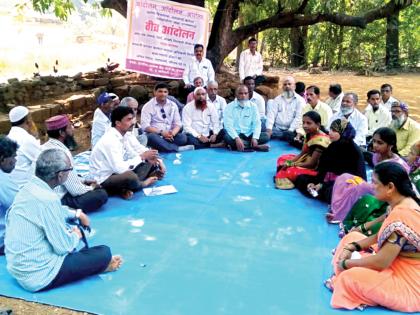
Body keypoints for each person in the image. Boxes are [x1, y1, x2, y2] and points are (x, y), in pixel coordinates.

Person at [5, 149, 122, 292]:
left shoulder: (28, 188)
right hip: (39, 276)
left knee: (69, 228)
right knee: (104, 252)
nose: (70, 173)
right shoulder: (48, 199)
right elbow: (63, 247)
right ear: (60, 175)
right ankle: (99, 265)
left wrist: (77, 213)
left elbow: (55, 211)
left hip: (18, 269)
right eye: (69, 170)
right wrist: (76, 235)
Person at [326, 161, 420, 313]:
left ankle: (341, 275)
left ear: (390, 187)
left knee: (350, 277)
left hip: (410, 284)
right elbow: (380, 235)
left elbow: (381, 262)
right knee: (353, 237)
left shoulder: (403, 213)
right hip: (394, 259)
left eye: (375, 183)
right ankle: (343, 271)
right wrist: (353, 247)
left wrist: (346, 264)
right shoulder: (399, 203)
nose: (372, 187)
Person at [328, 127, 410, 223]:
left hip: (388, 193)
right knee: (344, 177)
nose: (375, 145)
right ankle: (336, 209)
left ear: (390, 145)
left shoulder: (398, 164)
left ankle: (340, 216)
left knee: (359, 187)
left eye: (380, 143)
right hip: (376, 186)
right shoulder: (377, 156)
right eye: (374, 141)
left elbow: (396, 189)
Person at [90, 106, 161, 199]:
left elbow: (136, 150)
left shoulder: (125, 133)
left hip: (118, 171)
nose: (133, 122)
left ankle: (124, 189)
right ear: (118, 123)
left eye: (132, 119)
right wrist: (142, 157)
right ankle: (141, 184)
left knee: (148, 162)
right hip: (104, 178)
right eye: (128, 119)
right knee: (131, 176)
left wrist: (156, 160)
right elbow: (120, 169)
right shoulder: (110, 140)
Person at [42, 115, 108, 213]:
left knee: (80, 177)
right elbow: (76, 190)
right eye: (69, 127)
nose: (73, 129)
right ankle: (65, 210)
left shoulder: (43, 147)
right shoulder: (62, 153)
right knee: (101, 194)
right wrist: (91, 187)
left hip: (45, 196)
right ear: (61, 133)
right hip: (57, 199)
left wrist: (83, 180)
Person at [295, 119, 366, 203]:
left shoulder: (354, 152)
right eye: (330, 129)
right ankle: (315, 190)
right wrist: (317, 182)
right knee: (301, 178)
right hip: (327, 181)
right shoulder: (332, 146)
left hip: (346, 184)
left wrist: (323, 185)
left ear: (343, 133)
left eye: (334, 130)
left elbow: (349, 178)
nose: (330, 133)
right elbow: (323, 169)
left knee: (332, 191)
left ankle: (319, 192)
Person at [275, 111, 331, 189]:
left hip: (314, 168)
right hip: (305, 159)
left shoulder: (321, 141)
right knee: (282, 159)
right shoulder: (309, 133)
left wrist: (291, 164)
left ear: (317, 124)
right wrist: (289, 162)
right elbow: (302, 154)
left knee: (289, 170)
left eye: (308, 123)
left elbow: (312, 164)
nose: (305, 126)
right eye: (303, 122)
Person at [141, 83, 191, 153]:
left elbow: (178, 123)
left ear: (168, 93)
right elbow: (145, 126)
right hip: (156, 134)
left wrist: (172, 134)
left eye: (165, 92)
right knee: (151, 137)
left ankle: (161, 146)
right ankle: (176, 149)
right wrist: (161, 133)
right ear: (155, 92)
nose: (163, 94)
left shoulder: (173, 105)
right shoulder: (148, 106)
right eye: (160, 91)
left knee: (183, 138)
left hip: (169, 135)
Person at [223, 85, 269, 152]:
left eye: (245, 93)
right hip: (237, 135)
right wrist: (237, 138)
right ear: (236, 95)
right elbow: (228, 125)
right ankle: (254, 146)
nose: (243, 96)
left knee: (266, 136)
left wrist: (255, 138)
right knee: (227, 137)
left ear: (248, 94)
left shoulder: (253, 106)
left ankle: (241, 146)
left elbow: (257, 123)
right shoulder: (229, 107)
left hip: (249, 134)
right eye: (241, 93)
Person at [7, 106, 41, 187]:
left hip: (11, 186)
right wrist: (36, 137)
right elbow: (44, 161)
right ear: (28, 120)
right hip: (24, 188)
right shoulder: (27, 139)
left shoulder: (8, 137)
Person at [266, 76, 305, 142]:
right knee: (263, 123)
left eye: (289, 84)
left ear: (294, 86)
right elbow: (271, 115)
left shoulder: (300, 101)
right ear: (282, 87)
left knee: (297, 131)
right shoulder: (277, 99)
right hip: (276, 128)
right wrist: (269, 129)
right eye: (285, 84)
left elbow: (298, 118)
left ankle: (284, 136)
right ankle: (282, 136)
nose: (287, 86)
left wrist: (290, 130)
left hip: (292, 130)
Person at [0, 136, 19, 255]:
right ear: (2, 159)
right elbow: (24, 206)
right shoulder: (2, 181)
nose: (15, 161)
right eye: (13, 157)